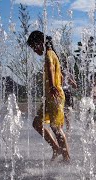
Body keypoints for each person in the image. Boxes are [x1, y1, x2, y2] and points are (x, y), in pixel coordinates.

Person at [27, 30, 70, 162]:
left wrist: (52, 86)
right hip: (49, 97)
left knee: (56, 127)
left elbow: (51, 68)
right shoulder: (51, 54)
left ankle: (66, 157)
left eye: (34, 47)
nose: (34, 51)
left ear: (40, 43)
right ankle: (56, 148)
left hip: (54, 96)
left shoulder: (49, 55)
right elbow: (60, 75)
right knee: (37, 123)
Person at [61, 62, 77, 131]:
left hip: (67, 92)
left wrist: (69, 80)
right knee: (60, 111)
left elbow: (75, 86)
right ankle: (60, 128)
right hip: (59, 92)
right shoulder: (56, 73)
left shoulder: (69, 75)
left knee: (67, 112)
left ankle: (68, 129)